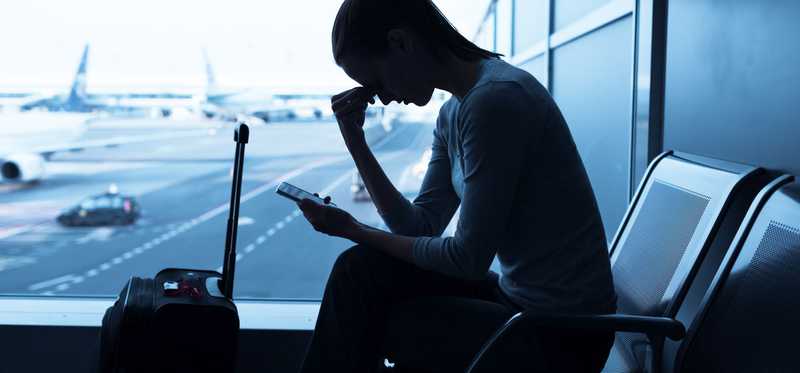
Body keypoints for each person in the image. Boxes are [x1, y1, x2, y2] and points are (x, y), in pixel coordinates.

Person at [297, 0, 617, 371]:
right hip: (521, 303)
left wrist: (354, 229)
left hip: (560, 337)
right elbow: (419, 226)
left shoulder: (495, 102)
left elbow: (467, 260)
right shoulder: (455, 110)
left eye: (376, 81)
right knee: (359, 271)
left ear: (401, 43)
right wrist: (356, 141)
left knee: (385, 314)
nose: (380, 97)